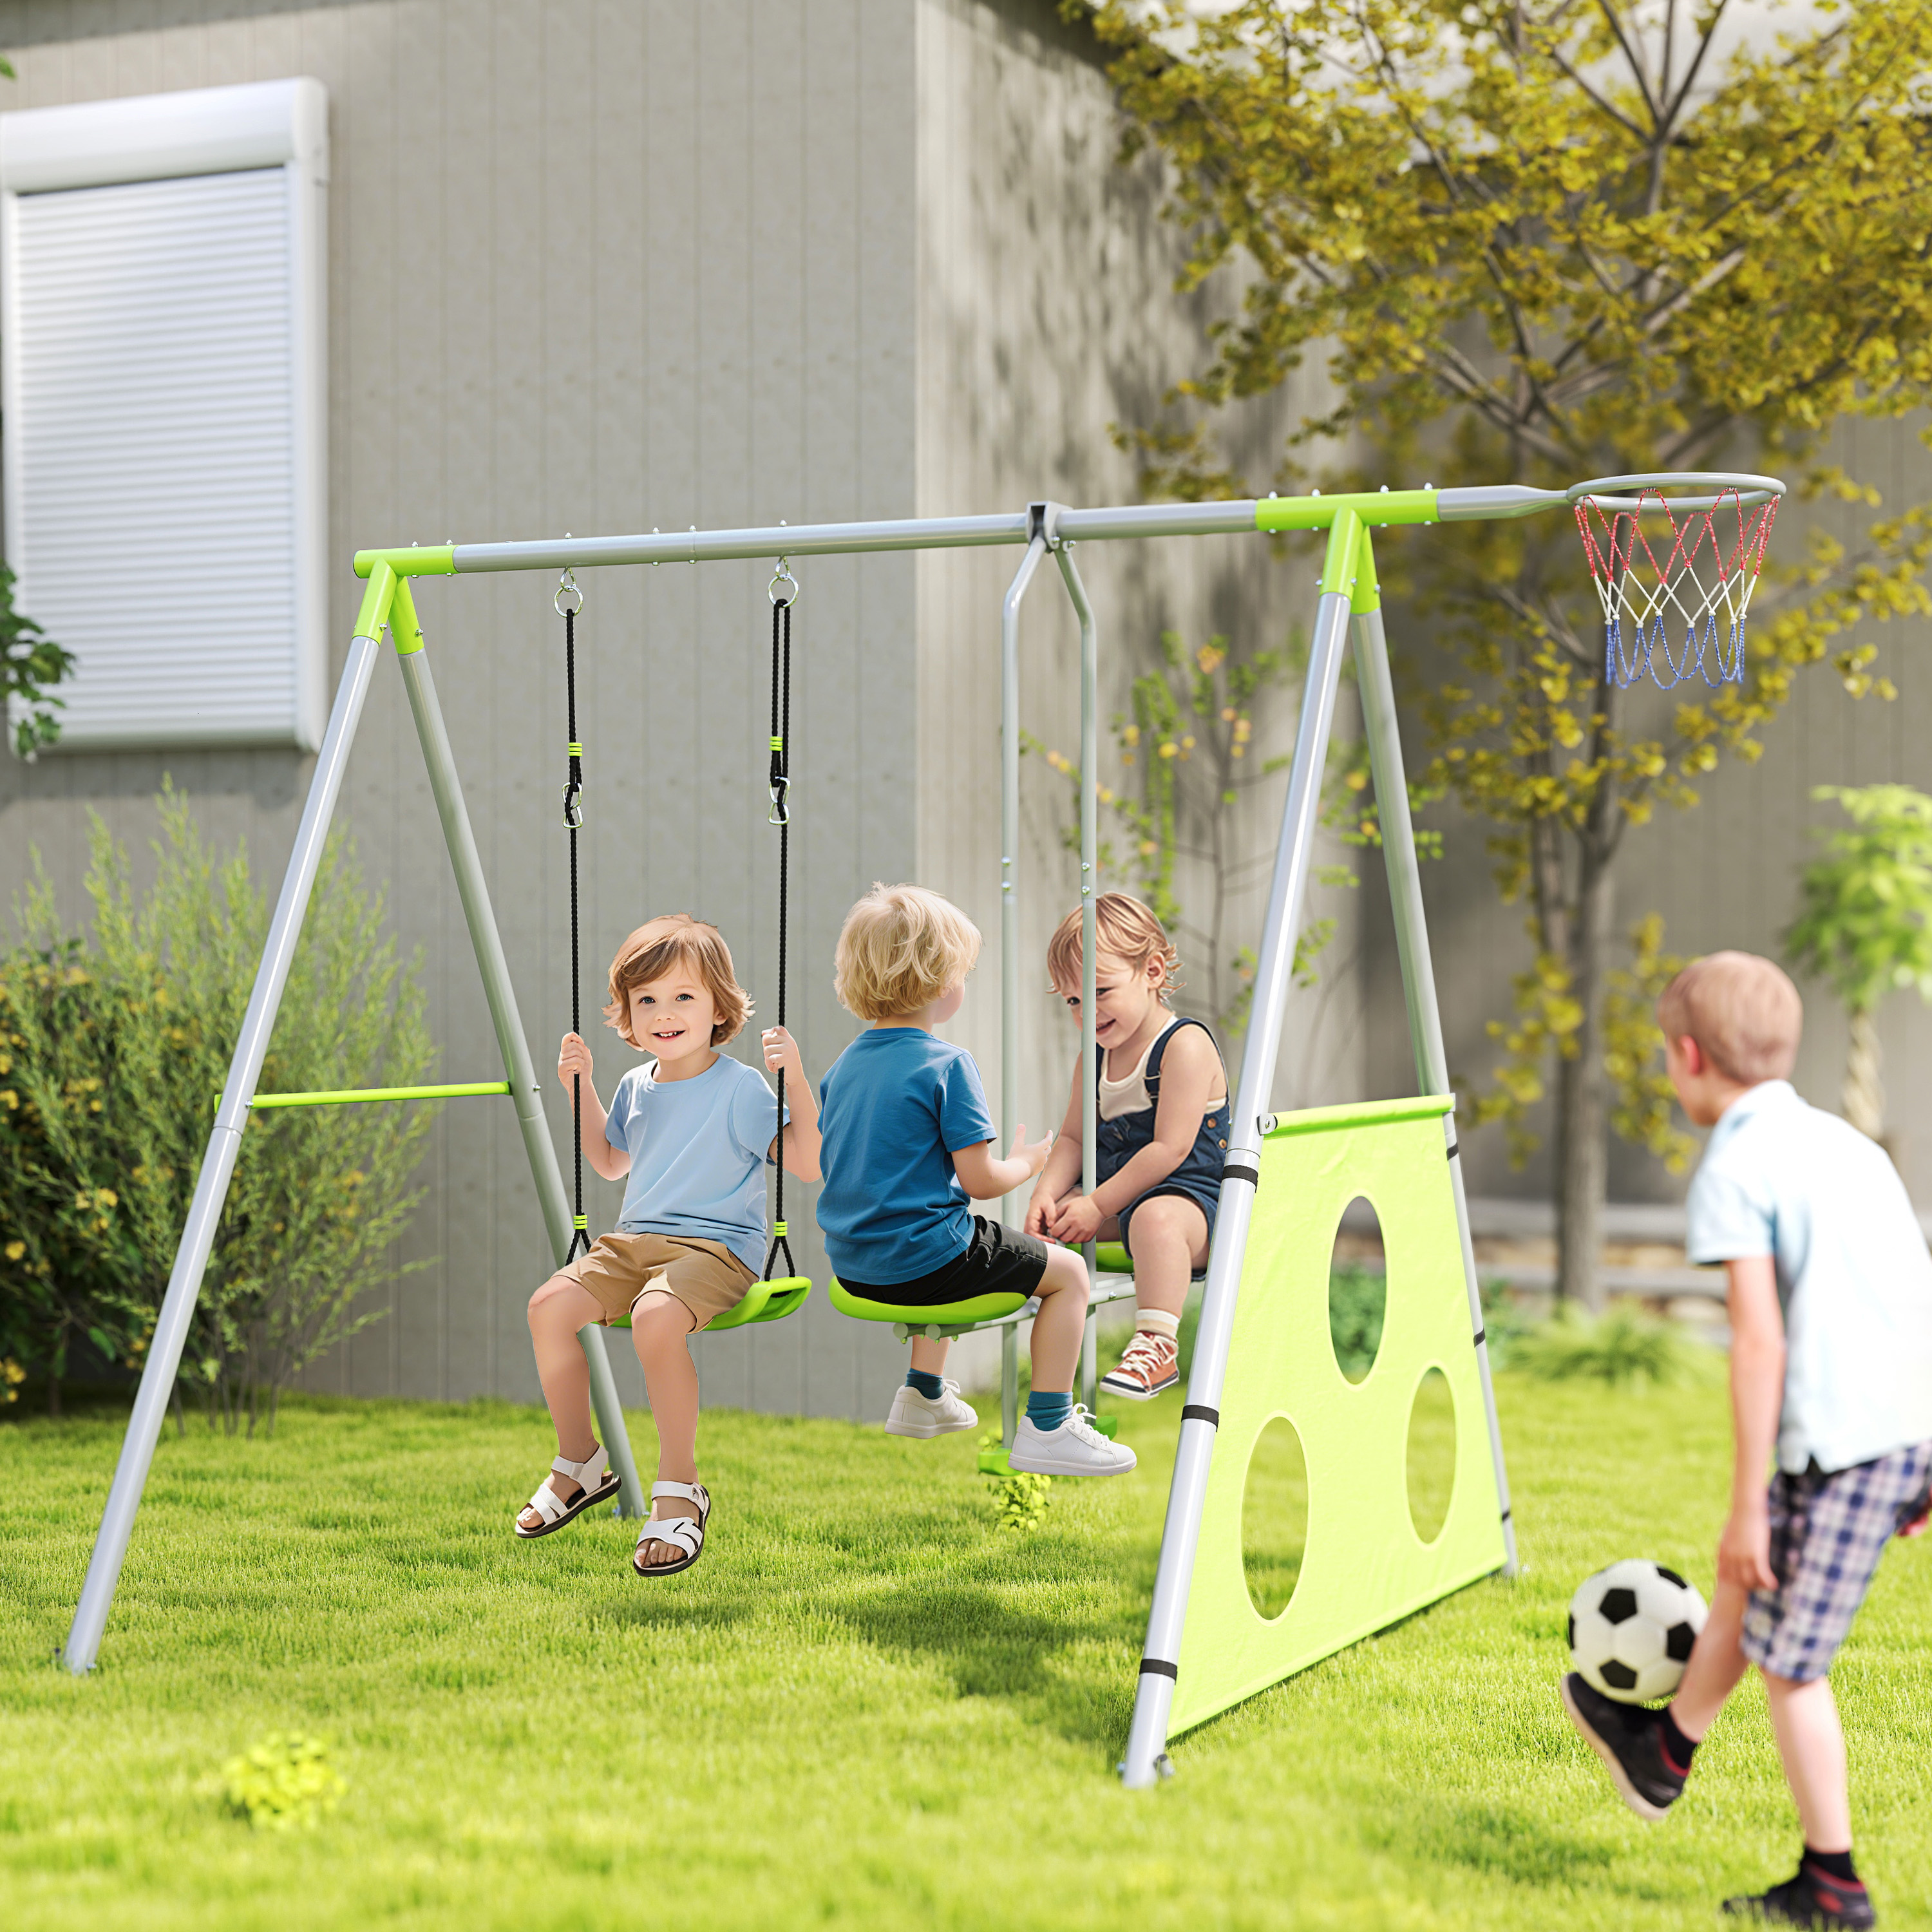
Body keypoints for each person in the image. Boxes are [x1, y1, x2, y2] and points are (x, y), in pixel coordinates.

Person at [1561, 951, 1932, 1928]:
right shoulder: (1850, 1145)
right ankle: (1665, 1754)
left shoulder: (1734, 1164)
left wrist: (1741, 1509)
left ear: (1686, 1057)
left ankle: (1834, 1883)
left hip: (1846, 1447)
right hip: (1904, 1430)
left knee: (1794, 1663)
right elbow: (1914, 1287)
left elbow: (1759, 1340)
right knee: (1746, 1589)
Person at [515, 914, 821, 1577]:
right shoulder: (636, 1085)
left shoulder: (740, 1087)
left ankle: (680, 1491)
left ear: (719, 1005)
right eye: (646, 1000)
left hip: (715, 1252)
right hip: (634, 1245)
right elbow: (609, 1162)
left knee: (657, 1316)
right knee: (549, 1307)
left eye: (683, 996)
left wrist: (793, 1076)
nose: (665, 1013)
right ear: (627, 1012)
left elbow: (805, 1164)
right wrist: (582, 1088)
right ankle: (581, 1462)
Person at [815, 882, 1136, 1476]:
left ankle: (922, 1394)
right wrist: (1030, 1162)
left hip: (856, 1267)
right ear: (942, 983)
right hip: (926, 1264)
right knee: (1066, 1274)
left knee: (951, 1227)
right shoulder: (947, 1065)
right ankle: (1050, 1425)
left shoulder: (843, 1067)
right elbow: (983, 1180)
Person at [1025, 893, 1228, 1401]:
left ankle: (1158, 1345)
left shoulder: (1184, 1046)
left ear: (1153, 972)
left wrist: (1098, 1203)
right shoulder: (1091, 1061)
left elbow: (1170, 1150)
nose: (1087, 1012)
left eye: (1100, 992)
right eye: (1074, 1001)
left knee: (1153, 1220)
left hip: (1199, 1207)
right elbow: (1073, 1137)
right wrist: (1046, 1196)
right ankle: (1049, 1354)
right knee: (1060, 1218)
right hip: (1127, 1196)